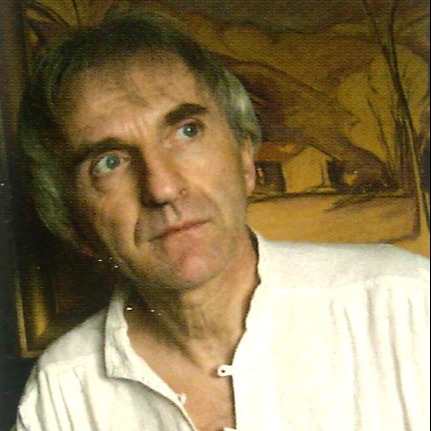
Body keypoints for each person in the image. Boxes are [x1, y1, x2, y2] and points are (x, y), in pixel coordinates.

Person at [15, 13, 429, 431]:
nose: (162, 188)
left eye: (187, 131)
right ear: (74, 222)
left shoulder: (407, 305)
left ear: (245, 158)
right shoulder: (61, 393)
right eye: (109, 162)